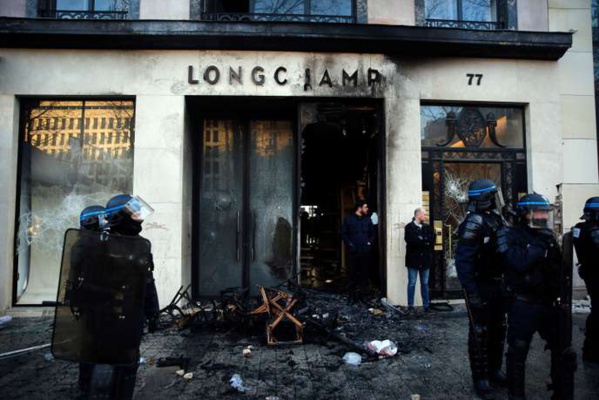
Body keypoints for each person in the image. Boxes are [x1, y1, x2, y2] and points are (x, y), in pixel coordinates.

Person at [497, 193, 576, 400]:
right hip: (523, 303)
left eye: (544, 212)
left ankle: (560, 391)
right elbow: (519, 263)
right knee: (518, 350)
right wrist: (540, 244)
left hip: (547, 303)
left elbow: (559, 268)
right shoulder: (510, 235)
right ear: (526, 214)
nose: (542, 216)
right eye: (538, 212)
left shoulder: (546, 236)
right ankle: (516, 395)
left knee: (562, 347)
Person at [101, 193, 160, 399]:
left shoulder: (141, 244)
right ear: (120, 216)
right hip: (104, 316)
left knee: (128, 366)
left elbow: (147, 281)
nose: (140, 217)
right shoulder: (101, 243)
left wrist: (153, 312)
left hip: (131, 316)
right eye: (134, 213)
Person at [455, 178, 507, 399]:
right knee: (480, 333)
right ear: (485, 198)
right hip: (481, 284)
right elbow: (463, 261)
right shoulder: (474, 222)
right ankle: (481, 377)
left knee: (499, 329)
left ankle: (494, 369)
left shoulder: (496, 219)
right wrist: (471, 291)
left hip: (498, 284)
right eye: (493, 195)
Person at [75, 205, 107, 397]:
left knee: (91, 342)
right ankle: (86, 384)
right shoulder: (85, 245)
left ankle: (87, 383)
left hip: (95, 298)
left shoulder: (90, 242)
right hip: (93, 298)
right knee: (90, 343)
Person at [573, 196, 599, 363]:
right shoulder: (590, 229)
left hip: (590, 273)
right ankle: (591, 349)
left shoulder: (579, 228)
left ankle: (590, 348)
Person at [341, 199, 375, 304]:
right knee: (352, 274)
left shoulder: (368, 220)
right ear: (359, 208)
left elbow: (373, 234)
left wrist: (369, 243)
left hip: (364, 251)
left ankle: (362, 297)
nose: (367, 209)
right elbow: (343, 233)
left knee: (364, 274)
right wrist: (349, 244)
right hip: (352, 252)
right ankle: (351, 297)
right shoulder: (349, 219)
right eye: (365, 207)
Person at [404, 207, 434, 312]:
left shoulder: (427, 227)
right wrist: (423, 240)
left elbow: (432, 240)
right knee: (412, 282)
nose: (425, 216)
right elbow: (411, 241)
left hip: (425, 260)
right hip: (413, 260)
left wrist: (422, 239)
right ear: (418, 215)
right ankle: (410, 306)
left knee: (425, 283)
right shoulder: (409, 227)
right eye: (424, 214)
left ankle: (426, 305)